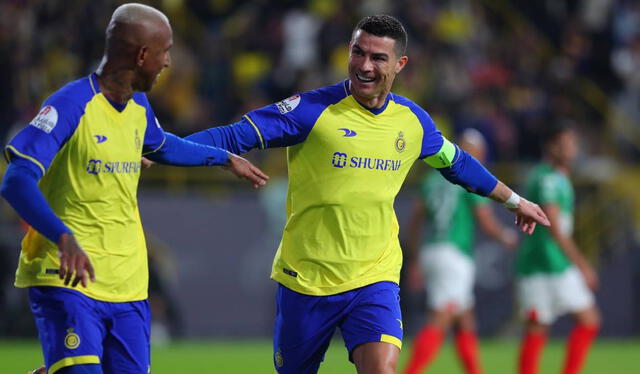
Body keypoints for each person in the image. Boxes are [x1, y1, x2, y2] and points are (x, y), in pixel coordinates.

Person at [185, 15, 549, 374]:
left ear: (400, 64)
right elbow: (233, 136)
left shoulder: (413, 122)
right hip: (307, 278)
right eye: (358, 53)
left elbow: (459, 164)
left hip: (374, 277)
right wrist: (164, 148)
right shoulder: (311, 110)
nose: (364, 65)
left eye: (378, 58)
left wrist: (516, 202)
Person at [1, 3, 268, 374]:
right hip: (66, 276)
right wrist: (62, 236)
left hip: (127, 283)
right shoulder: (70, 105)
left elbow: (163, 145)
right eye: (166, 51)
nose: (168, 63)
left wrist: (223, 158)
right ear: (143, 55)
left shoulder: (138, 105)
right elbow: (16, 179)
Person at [402, 128, 518, 374]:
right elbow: (484, 220)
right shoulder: (469, 177)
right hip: (453, 254)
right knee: (441, 317)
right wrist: (505, 236)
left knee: (464, 319)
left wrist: (414, 259)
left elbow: (414, 221)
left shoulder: (431, 179)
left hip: (431, 251)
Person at [516, 124, 600, 374]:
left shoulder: (555, 177)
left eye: (573, 144)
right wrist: (583, 265)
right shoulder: (549, 179)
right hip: (548, 264)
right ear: (552, 146)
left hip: (544, 264)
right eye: (566, 144)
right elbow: (554, 227)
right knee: (586, 321)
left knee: (539, 329)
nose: (572, 149)